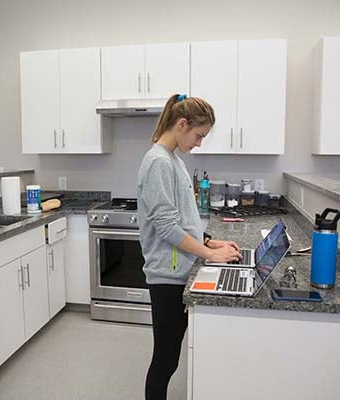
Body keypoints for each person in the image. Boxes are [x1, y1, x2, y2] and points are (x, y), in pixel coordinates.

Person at [137, 93, 242, 400]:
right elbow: (167, 226)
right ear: (181, 124)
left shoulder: (173, 160)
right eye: (199, 135)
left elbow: (183, 218)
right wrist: (210, 254)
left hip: (178, 270)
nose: (199, 143)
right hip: (166, 275)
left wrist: (210, 240)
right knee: (165, 359)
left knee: (169, 356)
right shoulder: (158, 162)